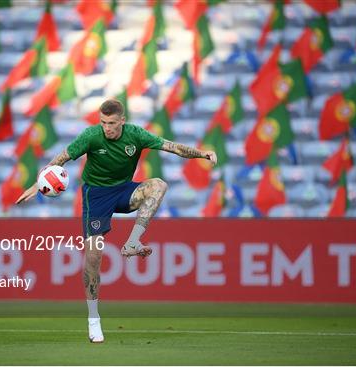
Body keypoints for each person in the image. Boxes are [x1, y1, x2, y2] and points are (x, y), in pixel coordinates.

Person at [16, 99, 217, 343]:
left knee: (158, 185)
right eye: (103, 122)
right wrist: (39, 184)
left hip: (123, 191)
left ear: (122, 120)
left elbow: (172, 147)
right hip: (96, 196)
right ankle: (93, 319)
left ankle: (133, 242)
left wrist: (202, 154)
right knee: (94, 256)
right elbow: (61, 159)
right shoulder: (91, 136)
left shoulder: (136, 135)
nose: (107, 128)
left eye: (111, 123)